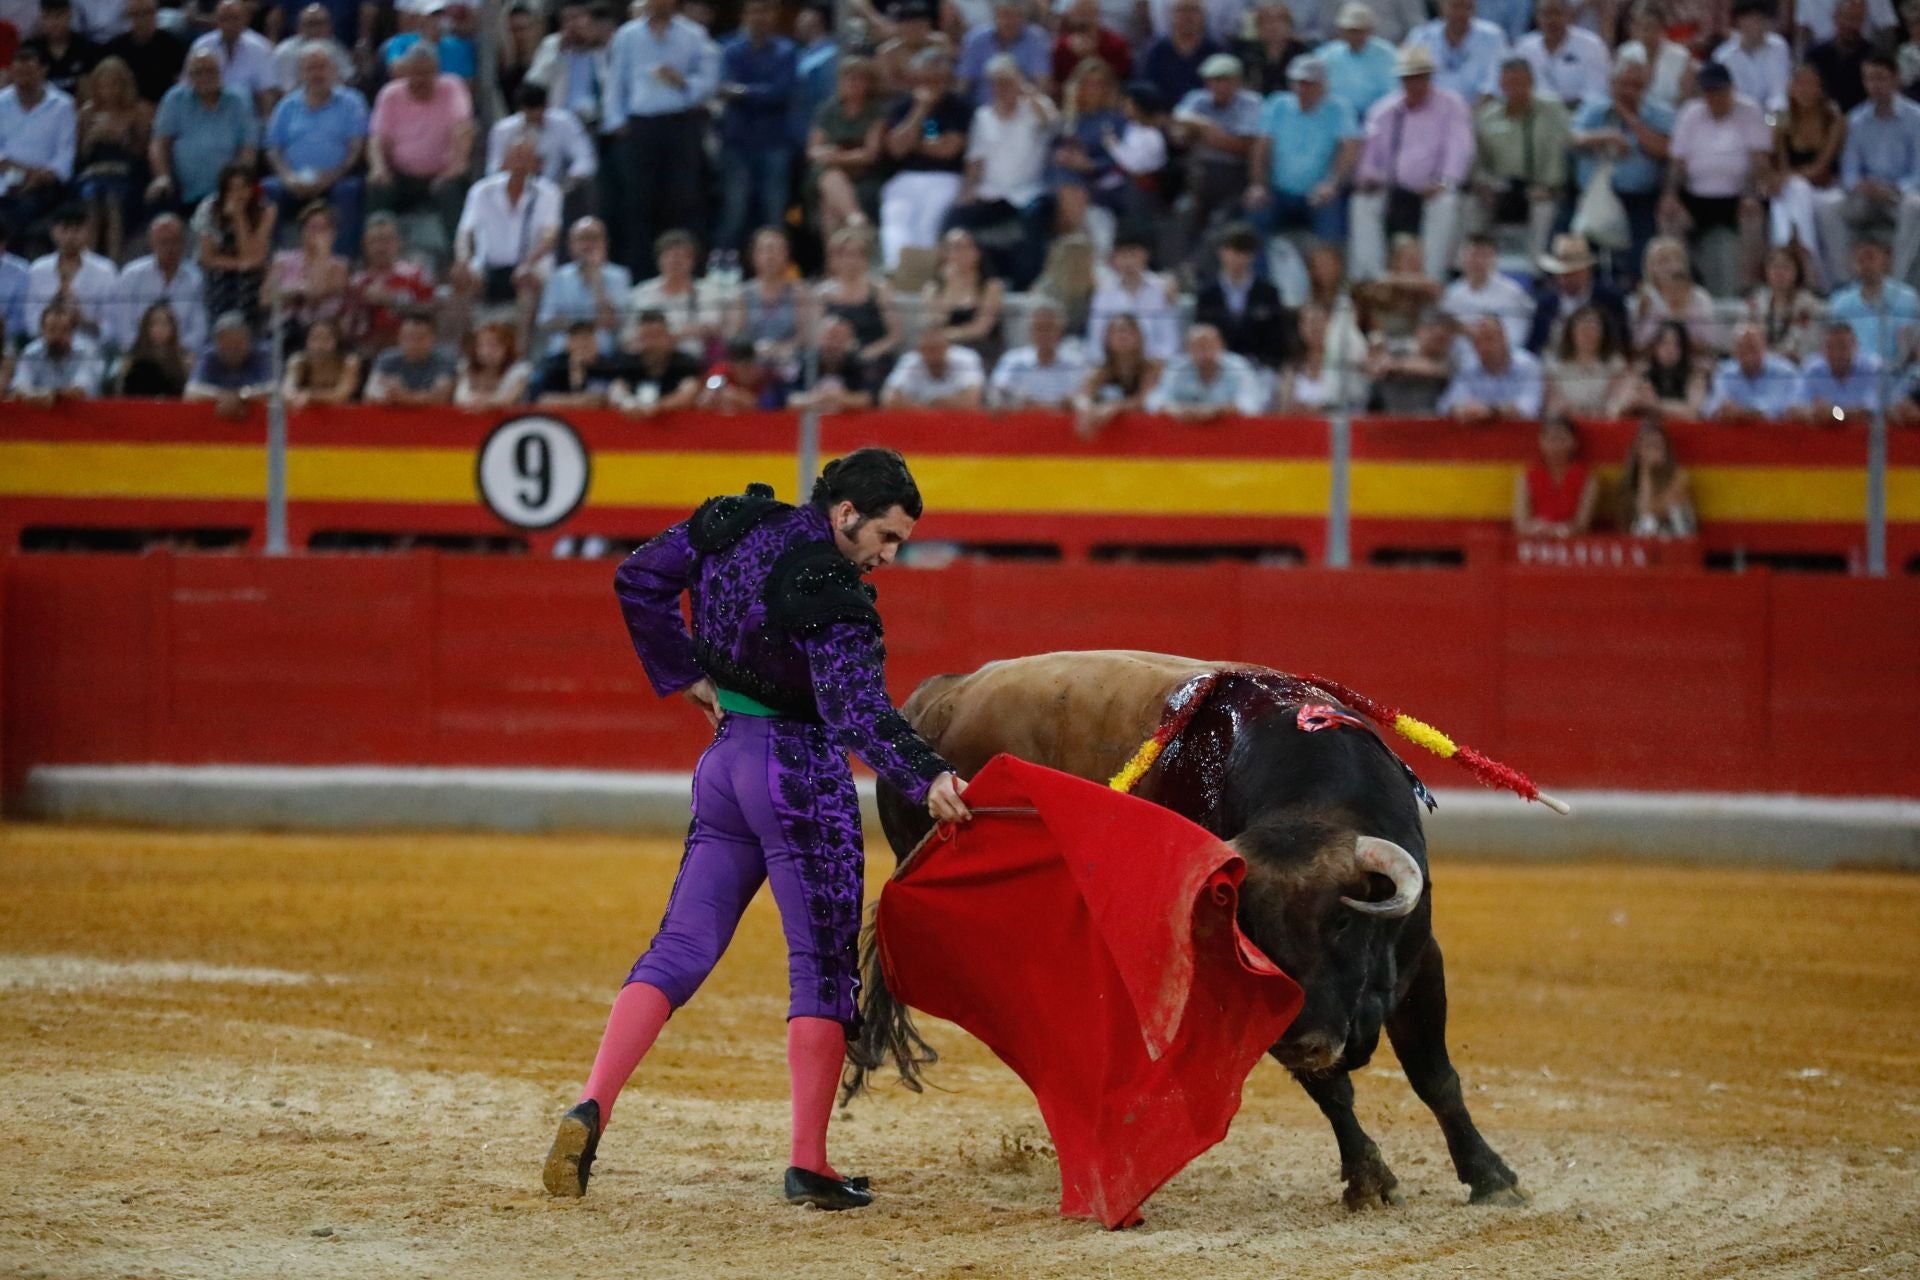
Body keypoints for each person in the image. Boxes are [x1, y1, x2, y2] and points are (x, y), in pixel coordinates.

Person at [544, 449, 969, 1212]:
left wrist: (684, 673)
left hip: (725, 765)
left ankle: (592, 1101)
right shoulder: (832, 587)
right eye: (886, 536)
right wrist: (928, 776)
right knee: (823, 968)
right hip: (799, 779)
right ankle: (809, 1162)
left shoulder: (735, 524)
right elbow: (853, 710)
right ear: (846, 513)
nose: (889, 556)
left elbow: (639, 577)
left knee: (679, 946)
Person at [603, 0, 719, 277]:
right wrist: (616, 122)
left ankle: (689, 272)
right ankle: (642, 275)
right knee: (638, 204)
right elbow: (615, 80)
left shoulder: (693, 34)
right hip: (640, 127)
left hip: (681, 124)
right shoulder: (628, 35)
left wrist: (683, 82)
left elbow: (709, 80)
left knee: (684, 201)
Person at [1348, 44, 1474, 283]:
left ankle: (1432, 278)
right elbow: (1369, 156)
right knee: (1362, 202)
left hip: (1432, 188)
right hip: (1392, 187)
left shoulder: (1452, 105)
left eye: (1420, 77)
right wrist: (1368, 178)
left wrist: (1444, 181)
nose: (1415, 84)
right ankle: (1371, 279)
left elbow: (1460, 149)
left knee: (1445, 204)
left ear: (1430, 78)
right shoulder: (1384, 110)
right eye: (1409, 78)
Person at [1661, 60, 1771, 295]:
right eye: (1709, 93)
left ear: (1731, 90)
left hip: (1737, 195)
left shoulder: (1749, 111)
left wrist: (1750, 194)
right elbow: (1677, 162)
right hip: (1697, 196)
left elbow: (1758, 161)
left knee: (1752, 214)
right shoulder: (1691, 113)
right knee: (1669, 216)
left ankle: (1746, 287)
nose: (1714, 98)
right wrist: (1670, 194)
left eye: (1719, 92)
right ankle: (1677, 284)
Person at [1568, 53, 1674, 287]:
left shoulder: (1659, 112)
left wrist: (1629, 117)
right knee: (1575, 247)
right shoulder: (1594, 107)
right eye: (1623, 84)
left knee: (1640, 257)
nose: (1629, 91)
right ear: (1612, 83)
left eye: (1636, 86)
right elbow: (1572, 138)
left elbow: (1664, 150)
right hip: (1594, 197)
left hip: (1639, 198)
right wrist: (1607, 136)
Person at [1818, 55, 1920, 289]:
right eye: (1869, 79)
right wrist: (1860, 185)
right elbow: (1849, 170)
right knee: (1827, 206)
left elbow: (1918, 170)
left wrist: (1894, 188)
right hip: (1866, 195)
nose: (1875, 85)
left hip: (1900, 195)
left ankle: (1897, 284)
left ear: (1895, 80)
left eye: (1880, 78)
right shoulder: (1856, 119)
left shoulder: (1916, 118)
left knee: (1914, 206)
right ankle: (1847, 282)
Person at [1245, 55, 1359, 245]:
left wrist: (1332, 184)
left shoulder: (1339, 109)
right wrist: (1258, 184)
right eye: (1299, 83)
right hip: (1278, 190)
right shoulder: (1278, 105)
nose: (1302, 89)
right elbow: (1261, 147)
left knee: (1330, 224)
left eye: (1309, 84)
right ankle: (1259, 265)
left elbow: (1350, 147)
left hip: (1318, 193)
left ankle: (1329, 262)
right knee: (1255, 210)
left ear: (1323, 85)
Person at [713, 0, 797, 259]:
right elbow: (723, 88)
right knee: (734, 210)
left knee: (774, 211)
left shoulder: (786, 50)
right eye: (754, 11)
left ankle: (778, 268)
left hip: (774, 141)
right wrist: (759, 93)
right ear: (745, 15)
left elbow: (781, 92)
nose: (760, 16)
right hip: (736, 141)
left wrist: (742, 93)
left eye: (766, 10)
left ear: (775, 15)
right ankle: (724, 266)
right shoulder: (728, 49)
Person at [367, 44, 474, 244]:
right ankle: (373, 253)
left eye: (426, 73)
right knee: (377, 187)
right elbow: (376, 139)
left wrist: (453, 169)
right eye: (415, 73)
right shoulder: (390, 94)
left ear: (437, 72)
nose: (420, 79)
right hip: (402, 175)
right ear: (405, 73)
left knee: (450, 190)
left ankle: (458, 255)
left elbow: (464, 130)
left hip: (442, 175)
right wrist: (378, 168)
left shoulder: (452, 87)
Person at [1469, 57, 1569, 265]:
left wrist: (1549, 186)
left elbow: (1559, 149)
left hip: (1540, 187)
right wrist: (1485, 185)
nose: (1516, 89)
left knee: (1544, 208)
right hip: (1501, 187)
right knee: (1469, 205)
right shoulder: (1487, 117)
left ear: (1531, 82)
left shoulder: (1551, 109)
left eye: (1521, 82)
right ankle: (1476, 266)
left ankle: (1538, 267)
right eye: (1510, 83)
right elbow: (1479, 161)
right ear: (1501, 85)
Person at [880, 48, 972, 269]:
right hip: (906, 176)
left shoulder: (959, 106)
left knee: (929, 220)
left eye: (937, 78)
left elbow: (948, 149)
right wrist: (920, 109)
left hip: (945, 177)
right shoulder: (904, 107)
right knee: (895, 216)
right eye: (925, 78)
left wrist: (913, 143)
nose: (931, 83)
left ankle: (923, 272)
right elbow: (896, 148)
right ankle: (896, 270)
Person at [452, 133, 562, 313]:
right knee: (462, 281)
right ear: (504, 160)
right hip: (488, 267)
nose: (520, 163)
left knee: (528, 283)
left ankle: (523, 333)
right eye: (516, 156)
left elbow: (549, 236)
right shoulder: (482, 191)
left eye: (526, 158)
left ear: (536, 164)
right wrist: (463, 260)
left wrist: (528, 263)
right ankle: (472, 331)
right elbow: (465, 232)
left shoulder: (548, 193)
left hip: (529, 265)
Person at [148, 47, 256, 219]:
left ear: (221, 72)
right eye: (198, 72)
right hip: (182, 190)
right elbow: (159, 143)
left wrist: (239, 184)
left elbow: (248, 148)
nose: (205, 76)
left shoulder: (238, 101)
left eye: (211, 70)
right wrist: (162, 176)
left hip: (226, 192)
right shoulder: (175, 99)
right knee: (157, 199)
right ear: (188, 76)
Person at [1769, 63, 1845, 282]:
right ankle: (1805, 258)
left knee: (1794, 191)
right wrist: (1782, 178)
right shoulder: (1782, 117)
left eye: (1810, 84)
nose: (1805, 90)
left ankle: (1787, 253)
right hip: (1796, 189)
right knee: (1790, 193)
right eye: (1799, 84)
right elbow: (1780, 162)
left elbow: (1821, 167)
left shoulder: (1834, 118)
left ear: (1820, 88)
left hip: (1825, 188)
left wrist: (1788, 178)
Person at [0, 43, 79, 252]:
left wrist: (39, 177)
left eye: (28, 72)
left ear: (43, 71)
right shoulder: (1, 102)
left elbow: (65, 155)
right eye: (18, 73)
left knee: (19, 213)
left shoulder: (62, 105)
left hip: (44, 185)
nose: (23, 78)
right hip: (5, 178)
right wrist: (20, 171)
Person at [72, 56, 149, 263]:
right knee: (91, 198)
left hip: (125, 172)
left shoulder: (137, 110)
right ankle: (88, 262)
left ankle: (114, 262)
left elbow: (142, 153)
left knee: (113, 199)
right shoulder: (87, 112)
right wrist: (90, 139)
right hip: (93, 172)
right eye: (103, 85)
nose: (108, 91)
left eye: (114, 85)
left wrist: (121, 138)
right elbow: (79, 157)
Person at [806, 55, 889, 241]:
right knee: (830, 176)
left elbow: (870, 154)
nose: (853, 84)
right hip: (828, 171)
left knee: (829, 202)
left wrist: (835, 156)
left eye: (858, 79)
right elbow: (812, 150)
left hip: (863, 172)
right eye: (848, 79)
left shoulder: (877, 111)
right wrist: (831, 156)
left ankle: (834, 255)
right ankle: (856, 220)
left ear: (868, 83)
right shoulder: (827, 110)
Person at [1195, 223, 1295, 367]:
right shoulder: (1207, 295)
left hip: (1260, 367)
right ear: (1221, 252)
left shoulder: (1268, 293)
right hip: (1219, 368)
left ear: (1252, 255)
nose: (1238, 258)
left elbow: (1278, 338)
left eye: (1244, 251)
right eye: (1233, 251)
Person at [195, 162, 275, 334]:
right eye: (232, 188)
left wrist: (238, 217)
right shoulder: (209, 208)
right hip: (218, 274)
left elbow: (255, 255)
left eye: (243, 187)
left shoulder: (266, 209)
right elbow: (207, 257)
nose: (238, 194)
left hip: (254, 276)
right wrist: (242, 264)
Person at [345, 212, 436, 358]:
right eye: (375, 241)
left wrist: (393, 300)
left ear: (398, 242)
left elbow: (432, 311)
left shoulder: (416, 275)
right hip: (365, 354)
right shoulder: (356, 282)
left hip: (409, 354)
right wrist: (360, 304)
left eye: (386, 240)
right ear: (365, 244)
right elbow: (347, 328)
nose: (381, 247)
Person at [538, 216, 631, 355]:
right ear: (571, 245)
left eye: (594, 238)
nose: (588, 245)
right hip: (562, 354)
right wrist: (585, 325)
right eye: (582, 239)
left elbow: (611, 321)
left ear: (605, 243)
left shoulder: (619, 276)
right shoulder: (557, 277)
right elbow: (545, 322)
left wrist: (596, 279)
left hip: (602, 355)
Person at [24, 205, 117, 341]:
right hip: (44, 345)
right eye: (64, 230)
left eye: (76, 230)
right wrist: (53, 312)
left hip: (90, 346)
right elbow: (30, 323)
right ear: (53, 232)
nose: (70, 237)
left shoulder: (105, 270)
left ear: (87, 232)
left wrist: (81, 320)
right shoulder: (38, 269)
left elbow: (111, 327)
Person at [264, 200, 350, 346]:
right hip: (285, 328)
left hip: (322, 330)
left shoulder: (339, 266)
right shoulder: (282, 260)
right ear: (302, 231)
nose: (316, 233)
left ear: (333, 233)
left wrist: (322, 254)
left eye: (323, 228)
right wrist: (292, 292)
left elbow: (316, 293)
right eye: (312, 227)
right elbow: (265, 299)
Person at [1085, 232, 1182, 360]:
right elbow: (1096, 339)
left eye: (1133, 255)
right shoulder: (1103, 293)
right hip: (1113, 363)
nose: (1129, 262)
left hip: (1153, 363)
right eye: (1123, 256)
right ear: (1115, 259)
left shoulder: (1163, 289)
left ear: (1145, 256)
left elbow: (1169, 340)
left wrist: (1154, 363)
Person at [628, 228, 723, 359]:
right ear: (659, 260)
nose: (674, 262)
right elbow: (629, 335)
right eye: (668, 256)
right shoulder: (642, 292)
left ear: (692, 261)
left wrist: (666, 336)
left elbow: (712, 327)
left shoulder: (707, 291)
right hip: (649, 358)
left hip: (693, 360)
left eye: (680, 257)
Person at [1528, 233, 1630, 355]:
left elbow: (1623, 342)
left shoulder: (1610, 300)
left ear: (1586, 271)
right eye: (1561, 274)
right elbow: (1534, 345)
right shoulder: (1546, 303)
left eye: (1571, 274)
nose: (1564, 280)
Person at [816, 224, 902, 365]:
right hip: (835, 361)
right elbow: (814, 336)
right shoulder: (823, 293)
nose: (851, 260)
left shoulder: (880, 291)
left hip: (872, 360)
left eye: (857, 254)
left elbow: (895, 336)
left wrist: (871, 352)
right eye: (845, 254)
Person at [1826, 237, 1920, 364]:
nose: (1865, 264)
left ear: (1885, 259)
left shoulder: (1906, 298)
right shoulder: (1840, 302)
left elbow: (1910, 346)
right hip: (1854, 371)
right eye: (1859, 259)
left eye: (1870, 257)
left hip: (1895, 371)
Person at [726, 226, 810, 368]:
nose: (770, 256)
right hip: (750, 364)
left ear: (787, 255)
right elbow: (735, 336)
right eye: (764, 250)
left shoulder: (800, 293)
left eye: (776, 250)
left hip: (790, 362)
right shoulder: (741, 295)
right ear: (754, 256)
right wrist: (755, 350)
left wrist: (782, 349)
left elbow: (806, 337)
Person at [1147, 322, 1268, 417]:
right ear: (1187, 349)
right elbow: (1154, 401)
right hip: (1185, 431)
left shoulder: (1238, 366)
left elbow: (1251, 404)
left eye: (1208, 345)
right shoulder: (1177, 368)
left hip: (1229, 432)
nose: (1204, 351)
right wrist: (1176, 410)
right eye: (1198, 346)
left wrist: (1218, 410)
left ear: (1221, 345)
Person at [1438, 316, 1544, 420]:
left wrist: (1492, 411)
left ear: (1504, 339)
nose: (1484, 346)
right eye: (1477, 341)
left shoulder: (1528, 365)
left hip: (1517, 429)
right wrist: (1459, 408)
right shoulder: (1468, 367)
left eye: (1489, 339)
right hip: (1475, 428)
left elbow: (1529, 408)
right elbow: (1446, 405)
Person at [1404, 0, 1509, 105]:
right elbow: (1412, 82)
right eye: (1456, 6)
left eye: (1467, 7)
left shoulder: (1492, 37)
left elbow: (1494, 83)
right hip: (1431, 109)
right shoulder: (1421, 37)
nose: (1461, 13)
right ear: (1442, 7)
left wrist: (1467, 112)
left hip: (1480, 109)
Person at [987, 299, 1088, 408]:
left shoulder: (1076, 363)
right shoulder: (1013, 360)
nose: (1044, 334)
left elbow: (1084, 398)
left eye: (1049, 328)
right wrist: (1017, 401)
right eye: (1039, 328)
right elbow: (996, 392)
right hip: (1022, 417)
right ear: (1030, 331)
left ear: (1061, 331)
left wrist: (1072, 403)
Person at [1441, 232, 1533, 350]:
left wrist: (1473, 333)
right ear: (1461, 258)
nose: (1478, 261)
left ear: (1495, 259)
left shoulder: (1512, 293)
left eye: (1484, 256)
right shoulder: (1452, 293)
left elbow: (1515, 338)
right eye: (1473, 255)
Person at [922, 227, 1004, 358]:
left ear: (976, 252)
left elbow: (981, 329)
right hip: (943, 350)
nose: (955, 253)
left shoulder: (990, 286)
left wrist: (946, 336)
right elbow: (937, 322)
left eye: (961, 247)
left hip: (978, 347)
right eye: (950, 248)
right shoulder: (933, 287)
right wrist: (950, 288)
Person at [1073, 311, 1162, 433]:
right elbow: (1082, 396)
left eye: (1127, 331)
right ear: (1106, 339)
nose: (1121, 336)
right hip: (1108, 436)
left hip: (1145, 433)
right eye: (1115, 331)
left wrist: (1114, 408)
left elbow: (1145, 400)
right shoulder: (1100, 372)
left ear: (1140, 336)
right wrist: (1086, 408)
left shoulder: (1152, 367)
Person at [1630, 234, 1719, 354]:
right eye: (1662, 261)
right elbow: (1637, 345)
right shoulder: (1643, 298)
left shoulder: (1699, 297)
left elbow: (1710, 342)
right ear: (1650, 266)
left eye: (1676, 259)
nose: (1670, 266)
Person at [1513, 414, 1598, 537]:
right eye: (1551, 439)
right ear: (1540, 442)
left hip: (1571, 540)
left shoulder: (1588, 478)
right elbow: (1521, 524)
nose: (1556, 445)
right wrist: (1537, 528)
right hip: (1536, 539)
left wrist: (1563, 530)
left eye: (1562, 439)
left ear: (1574, 443)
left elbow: (1582, 524)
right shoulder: (1527, 476)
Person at [190, 0, 278, 116]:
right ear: (216, 20)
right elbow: (188, 85)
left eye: (234, 18)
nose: (229, 24)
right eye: (224, 19)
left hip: (246, 116)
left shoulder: (261, 48)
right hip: (206, 114)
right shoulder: (201, 46)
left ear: (246, 19)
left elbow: (267, 93)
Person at [1514, 0, 1608, 107]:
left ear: (1568, 15)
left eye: (1557, 13)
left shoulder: (1591, 45)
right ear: (1537, 17)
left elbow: (1597, 91)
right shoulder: (1524, 47)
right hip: (1534, 110)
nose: (1552, 20)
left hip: (1579, 111)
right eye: (1546, 14)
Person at [1366, 306, 1459, 413]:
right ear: (1419, 331)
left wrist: (1397, 366)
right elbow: (1374, 365)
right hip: (1389, 414)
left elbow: (1439, 370)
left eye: (1443, 337)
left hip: (1430, 416)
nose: (1436, 339)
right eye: (1431, 331)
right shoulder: (1398, 348)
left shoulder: (1454, 357)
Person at [1703, 321, 1802, 420]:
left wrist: (1746, 413)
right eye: (1743, 349)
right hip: (1737, 429)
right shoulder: (1725, 373)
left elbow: (1791, 409)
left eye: (1753, 348)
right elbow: (1712, 407)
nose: (1748, 355)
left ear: (1764, 347)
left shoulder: (1785, 373)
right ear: (1735, 352)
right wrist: (1721, 410)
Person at [1312, 2, 1396, 120]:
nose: (1355, 35)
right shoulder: (1327, 55)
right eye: (1351, 30)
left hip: (1378, 116)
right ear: (1341, 31)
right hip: (1337, 117)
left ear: (1370, 30)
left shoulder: (1387, 54)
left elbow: (1392, 92)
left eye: (1360, 30)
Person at [608, 308, 703, 411]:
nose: (652, 343)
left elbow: (688, 394)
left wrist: (655, 407)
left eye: (656, 336)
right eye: (646, 337)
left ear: (669, 337)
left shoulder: (685, 363)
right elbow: (616, 391)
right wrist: (628, 404)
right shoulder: (628, 363)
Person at [9, 300, 103, 402]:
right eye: (52, 329)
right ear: (42, 331)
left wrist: (52, 395)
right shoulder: (31, 354)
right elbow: (19, 387)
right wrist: (34, 395)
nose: (57, 335)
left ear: (72, 332)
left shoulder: (86, 352)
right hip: (40, 409)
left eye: (64, 330)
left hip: (82, 410)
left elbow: (80, 390)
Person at [185, 310, 273, 417]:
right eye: (226, 341)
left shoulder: (260, 355)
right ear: (217, 343)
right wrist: (222, 396)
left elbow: (273, 390)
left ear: (248, 341)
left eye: (238, 341)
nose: (233, 347)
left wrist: (241, 396)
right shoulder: (209, 357)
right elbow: (191, 391)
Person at [1279, 300, 1366, 409]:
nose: (1314, 327)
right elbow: (1284, 407)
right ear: (1300, 328)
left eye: (1319, 321)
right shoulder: (1293, 367)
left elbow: (1353, 399)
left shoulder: (1345, 360)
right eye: (1308, 322)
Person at [958, 0, 1051, 102]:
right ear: (995, 16)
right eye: (1005, 15)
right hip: (981, 107)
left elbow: (1042, 83)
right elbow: (963, 82)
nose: (1010, 21)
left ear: (1024, 17)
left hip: (1023, 106)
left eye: (1017, 15)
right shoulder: (976, 39)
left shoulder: (1036, 38)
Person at [1544, 303, 1627, 416]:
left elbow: (1616, 401)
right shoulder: (1554, 365)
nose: (1588, 333)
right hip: (1566, 421)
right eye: (1582, 328)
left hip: (1603, 421)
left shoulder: (1616, 364)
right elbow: (1554, 403)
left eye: (1594, 328)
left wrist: (1600, 413)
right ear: (1571, 332)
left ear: (1603, 333)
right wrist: (1574, 413)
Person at [1793, 319, 1885, 420]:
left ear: (1856, 346)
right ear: (1822, 349)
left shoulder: (1872, 368)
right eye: (1830, 347)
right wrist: (1813, 413)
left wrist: (1835, 413)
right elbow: (1793, 408)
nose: (1836, 353)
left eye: (1842, 347)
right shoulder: (1813, 370)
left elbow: (1873, 411)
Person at [1613, 318, 1708, 416]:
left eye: (1676, 344)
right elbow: (1614, 409)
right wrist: (1635, 401)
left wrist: (1655, 404)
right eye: (1664, 343)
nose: (1670, 349)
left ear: (1684, 349)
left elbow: (1693, 413)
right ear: (1654, 347)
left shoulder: (1695, 375)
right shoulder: (1639, 372)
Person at [1617, 417, 1694, 537]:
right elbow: (1636, 515)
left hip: (1677, 534)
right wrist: (1645, 470)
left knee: (1649, 522)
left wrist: (1646, 468)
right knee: (1646, 524)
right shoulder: (1630, 478)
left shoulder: (1680, 476)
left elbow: (1649, 510)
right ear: (1638, 450)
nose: (1654, 451)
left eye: (1658, 445)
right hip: (1645, 536)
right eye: (1649, 446)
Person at [1139, 0, 1223, 108]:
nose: (1187, 16)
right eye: (1181, 10)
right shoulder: (1156, 51)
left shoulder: (1216, 50)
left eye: (1193, 10)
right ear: (1170, 15)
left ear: (1203, 15)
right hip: (1162, 113)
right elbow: (1146, 87)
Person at [103, 0, 189, 106]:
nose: (142, 18)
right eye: (136, 14)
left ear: (156, 13)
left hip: (164, 104)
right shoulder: (116, 47)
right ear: (129, 17)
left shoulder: (172, 44)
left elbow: (180, 83)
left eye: (147, 12)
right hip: (128, 106)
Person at [1613, 1, 1694, 113]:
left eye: (1653, 27)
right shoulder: (1626, 52)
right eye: (1644, 27)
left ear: (1663, 29)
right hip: (1630, 113)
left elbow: (1685, 99)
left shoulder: (1681, 56)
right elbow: (1616, 92)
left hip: (1668, 115)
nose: (1648, 33)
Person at [1748, 246, 1825, 363]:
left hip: (1798, 364)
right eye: (1774, 267)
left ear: (1797, 271)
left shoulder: (1809, 304)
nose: (1779, 273)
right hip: (1763, 364)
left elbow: (1809, 342)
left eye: (1785, 267)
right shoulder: (1758, 301)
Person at [364, 309, 457, 405]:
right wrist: (385, 394)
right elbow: (370, 393)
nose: (413, 343)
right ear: (399, 337)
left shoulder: (445, 359)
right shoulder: (387, 358)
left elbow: (442, 396)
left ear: (432, 338)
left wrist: (403, 396)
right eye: (409, 337)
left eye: (420, 338)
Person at [881, 326, 987, 407]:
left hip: (958, 421)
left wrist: (917, 404)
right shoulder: (910, 361)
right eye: (927, 349)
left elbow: (972, 402)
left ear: (947, 347)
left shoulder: (967, 358)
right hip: (920, 421)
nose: (933, 354)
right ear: (919, 350)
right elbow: (889, 399)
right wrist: (927, 409)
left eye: (937, 348)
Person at [789, 315, 878, 412]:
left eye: (842, 337)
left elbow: (867, 399)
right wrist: (817, 398)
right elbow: (791, 399)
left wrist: (839, 398)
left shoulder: (858, 364)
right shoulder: (806, 362)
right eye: (831, 336)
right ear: (819, 337)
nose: (835, 343)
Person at [1714, 0, 1791, 113]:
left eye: (1762, 19)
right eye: (1753, 19)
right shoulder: (1723, 56)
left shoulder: (1779, 47)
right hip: (1737, 116)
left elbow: (1779, 92)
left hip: (1771, 116)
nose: (1758, 25)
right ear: (1739, 21)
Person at [1807, 0, 1878, 114]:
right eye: (1847, 18)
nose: (1850, 24)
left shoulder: (1874, 55)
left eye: (1856, 19)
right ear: (1835, 18)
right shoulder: (1816, 55)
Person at [531, 318, 621, 405]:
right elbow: (540, 399)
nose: (584, 344)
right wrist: (577, 400)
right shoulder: (554, 365)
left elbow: (618, 392)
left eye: (588, 338)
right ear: (568, 343)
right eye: (578, 339)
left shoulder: (607, 365)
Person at [281, 314, 360, 406]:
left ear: (337, 341)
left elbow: (342, 395)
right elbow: (287, 391)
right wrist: (295, 396)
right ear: (306, 341)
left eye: (327, 339)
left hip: (343, 413)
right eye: (315, 338)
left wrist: (310, 396)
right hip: (306, 413)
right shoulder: (298, 361)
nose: (320, 345)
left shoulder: (348, 362)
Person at [116, 301, 190, 396]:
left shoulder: (184, 359)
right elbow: (121, 392)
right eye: (154, 323)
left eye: (165, 324)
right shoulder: (132, 358)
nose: (160, 329)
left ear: (173, 328)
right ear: (145, 327)